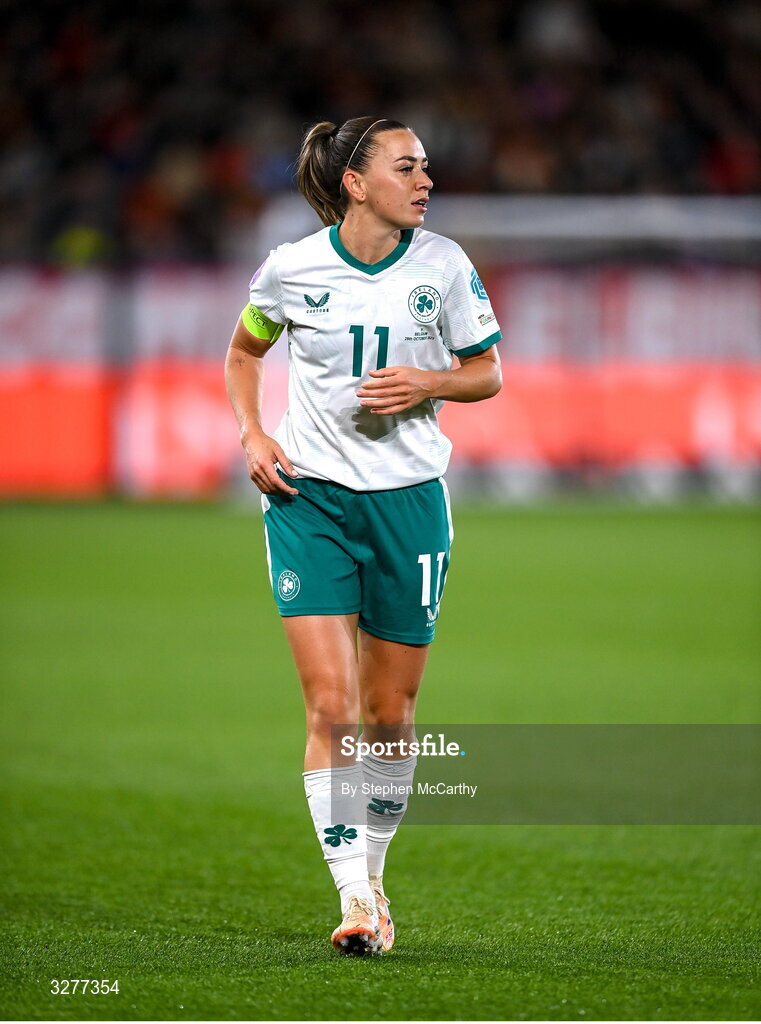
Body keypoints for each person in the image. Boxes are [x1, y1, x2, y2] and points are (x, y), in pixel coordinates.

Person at [225, 116, 502, 956]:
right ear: (354, 181)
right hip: (307, 499)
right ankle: (355, 900)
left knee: (388, 714)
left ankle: (373, 875)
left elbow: (487, 371)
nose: (424, 179)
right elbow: (244, 351)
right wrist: (252, 433)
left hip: (409, 504)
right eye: (405, 166)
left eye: (426, 165)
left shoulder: (444, 266)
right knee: (330, 707)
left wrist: (430, 380)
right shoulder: (291, 268)